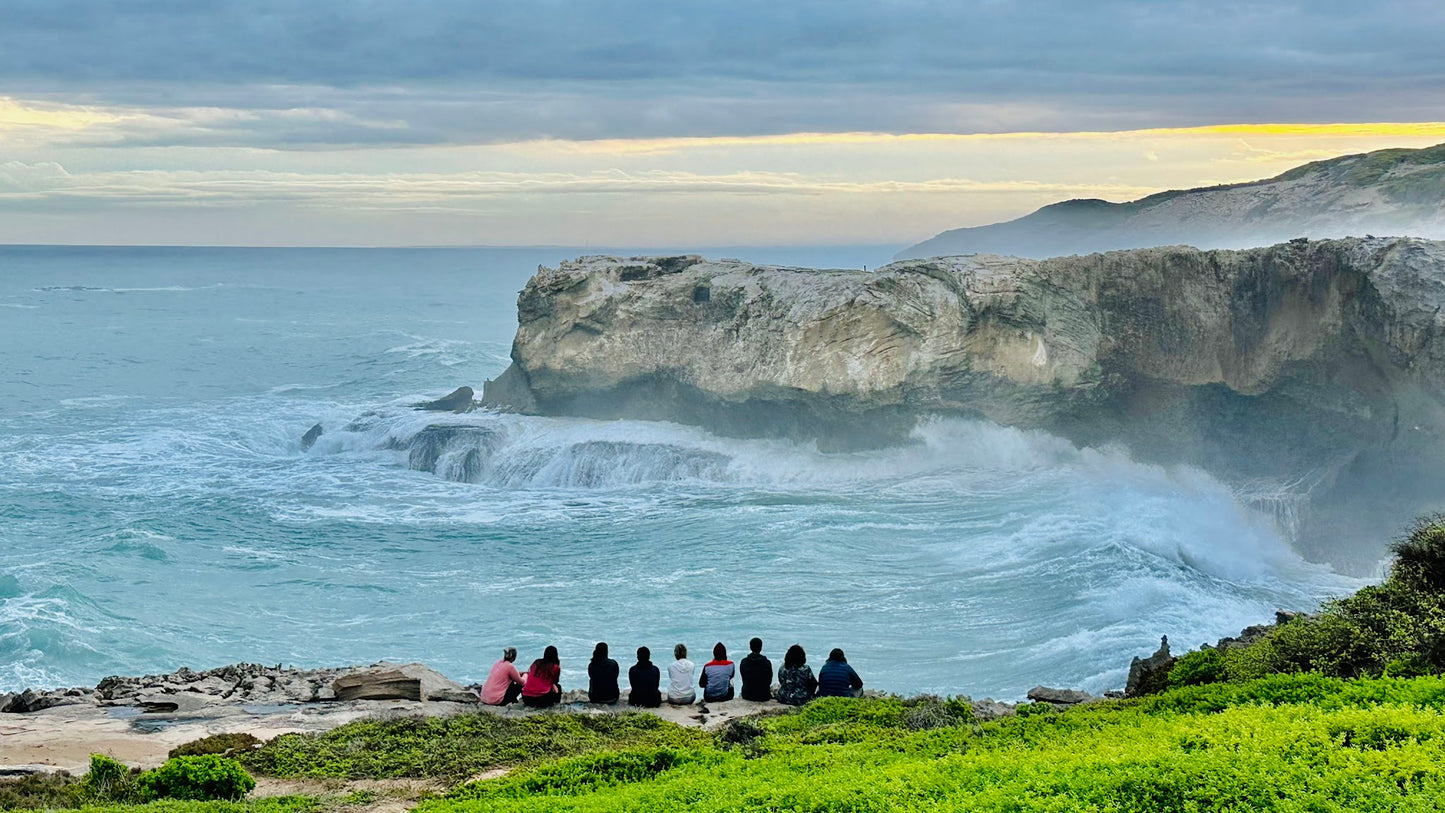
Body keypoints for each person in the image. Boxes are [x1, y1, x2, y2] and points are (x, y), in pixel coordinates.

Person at [739, 637, 774, 702]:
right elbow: (769, 680)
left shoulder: (744, 662)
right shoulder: (767, 662)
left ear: (750, 647)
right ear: (761, 648)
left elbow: (744, 678)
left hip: (748, 695)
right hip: (764, 695)